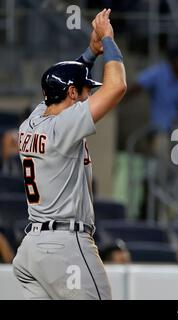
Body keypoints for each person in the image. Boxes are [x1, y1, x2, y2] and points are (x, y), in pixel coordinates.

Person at [12, 9, 127, 300]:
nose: (90, 96)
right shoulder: (64, 125)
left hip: (32, 251)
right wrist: (109, 40)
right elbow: (117, 86)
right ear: (73, 93)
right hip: (65, 247)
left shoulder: (34, 119)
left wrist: (90, 52)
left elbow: (61, 83)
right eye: (86, 90)